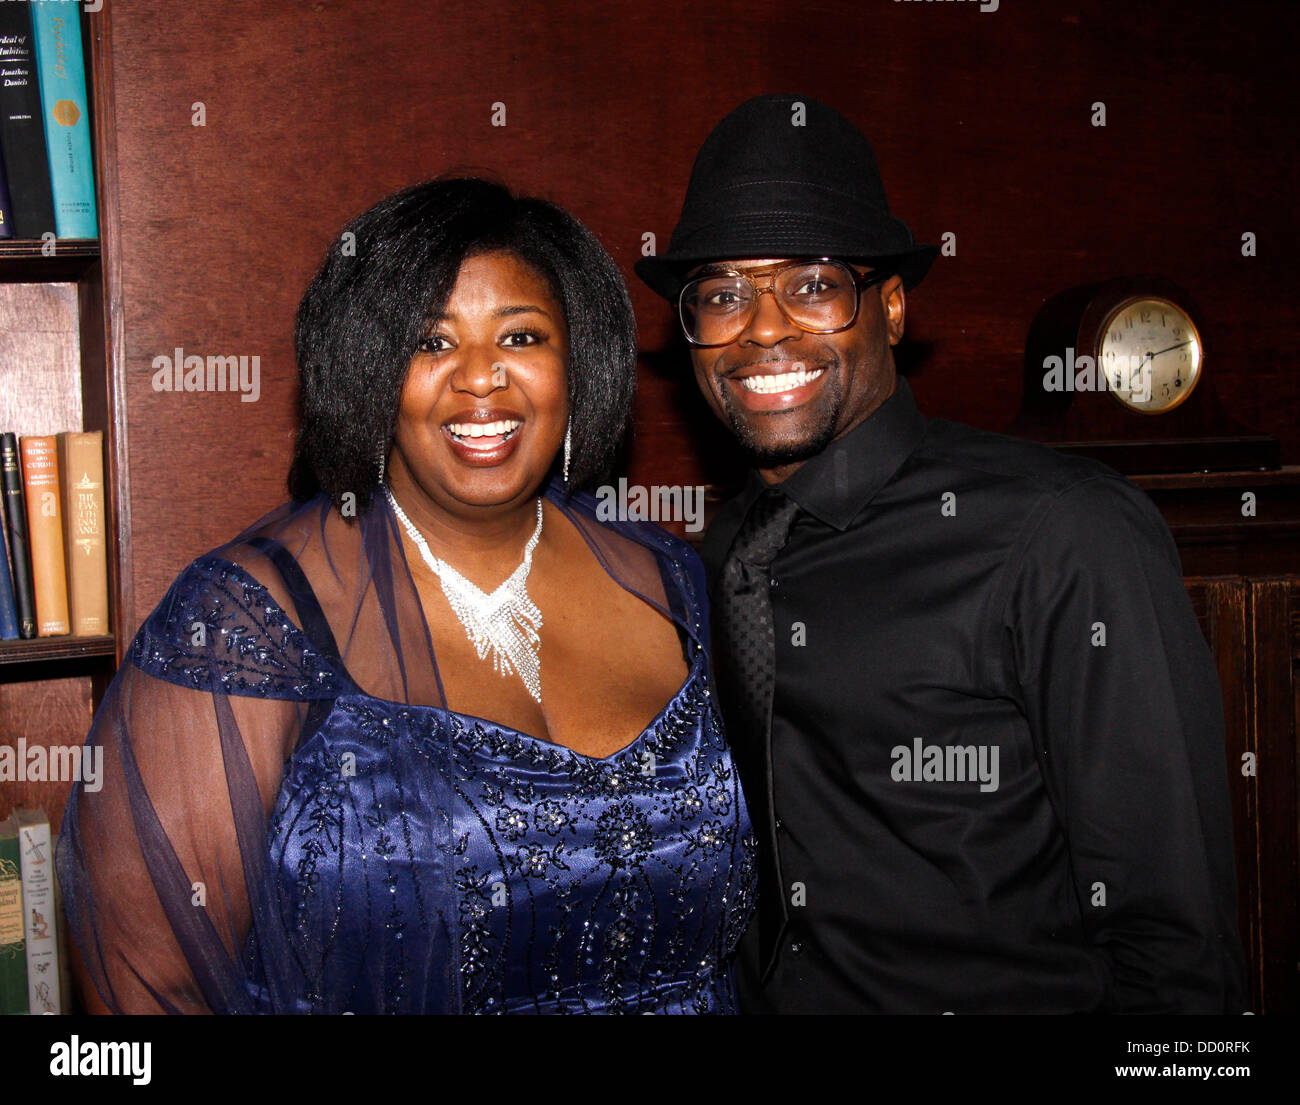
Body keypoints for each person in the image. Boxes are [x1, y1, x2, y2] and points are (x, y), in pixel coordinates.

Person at [57, 177, 756, 1015]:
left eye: (521, 336)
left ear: (578, 362)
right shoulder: (246, 623)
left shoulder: (677, 585)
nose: (480, 380)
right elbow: (144, 993)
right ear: (370, 373)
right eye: (431, 344)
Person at [635, 94, 1249, 1013]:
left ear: (890, 308)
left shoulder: (1064, 533)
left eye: (811, 284)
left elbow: (1177, 945)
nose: (761, 328)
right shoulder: (705, 558)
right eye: (722, 293)